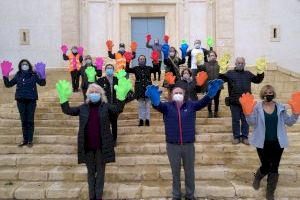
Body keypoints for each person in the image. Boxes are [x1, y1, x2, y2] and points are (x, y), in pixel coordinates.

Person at [145, 79, 224, 200]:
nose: (177, 95)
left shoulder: (191, 105)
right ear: (171, 95)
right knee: (175, 172)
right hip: (172, 145)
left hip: (188, 145)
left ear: (184, 95)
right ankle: (176, 195)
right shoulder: (166, 107)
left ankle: (190, 195)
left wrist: (210, 94)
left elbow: (203, 102)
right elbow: (158, 105)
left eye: (180, 93)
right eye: (175, 93)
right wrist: (155, 99)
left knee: (189, 172)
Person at [57, 82, 128, 200]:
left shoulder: (106, 106)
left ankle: (98, 196)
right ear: (88, 95)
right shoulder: (83, 108)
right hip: (88, 146)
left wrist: (121, 97)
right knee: (90, 173)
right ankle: (92, 196)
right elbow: (68, 110)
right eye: (92, 92)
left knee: (100, 173)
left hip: (102, 146)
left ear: (101, 94)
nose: (94, 94)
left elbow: (118, 109)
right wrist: (63, 99)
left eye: (97, 92)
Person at [239, 86, 300, 200]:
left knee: (274, 167)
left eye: (271, 92)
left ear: (274, 94)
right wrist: (247, 113)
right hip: (262, 142)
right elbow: (252, 123)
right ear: (263, 94)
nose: (269, 94)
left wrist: (296, 113)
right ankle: (258, 176)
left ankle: (270, 192)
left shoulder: (280, 107)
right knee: (266, 166)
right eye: (266, 92)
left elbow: (289, 122)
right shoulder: (257, 107)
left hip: (277, 142)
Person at [219, 57, 265, 145]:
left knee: (245, 120)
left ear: (244, 64)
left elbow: (257, 80)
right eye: (239, 63)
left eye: (242, 63)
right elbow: (221, 80)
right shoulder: (230, 73)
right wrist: (221, 71)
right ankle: (236, 137)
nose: (240, 64)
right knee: (235, 120)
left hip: (246, 102)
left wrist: (260, 72)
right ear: (235, 64)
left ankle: (244, 137)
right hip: (234, 102)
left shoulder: (248, 74)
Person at [1, 59, 46, 147]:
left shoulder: (33, 75)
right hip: (20, 100)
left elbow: (42, 83)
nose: (24, 65)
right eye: (22, 64)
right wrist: (5, 75)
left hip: (31, 100)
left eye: (26, 64)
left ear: (29, 65)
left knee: (30, 120)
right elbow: (8, 85)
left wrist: (42, 75)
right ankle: (25, 140)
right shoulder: (18, 75)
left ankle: (30, 140)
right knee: (23, 121)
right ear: (20, 66)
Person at [97, 64, 135, 146]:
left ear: (113, 70)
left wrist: (124, 100)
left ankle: (114, 140)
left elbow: (127, 90)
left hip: (115, 106)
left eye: (111, 68)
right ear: (105, 70)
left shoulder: (118, 79)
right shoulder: (100, 80)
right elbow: (96, 91)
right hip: (104, 106)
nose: (109, 69)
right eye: (107, 68)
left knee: (114, 123)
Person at [125, 55, 155, 126]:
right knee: (141, 105)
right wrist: (128, 61)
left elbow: (156, 69)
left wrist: (155, 61)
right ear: (138, 60)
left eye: (143, 59)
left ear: (145, 60)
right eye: (140, 59)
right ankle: (141, 119)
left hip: (148, 89)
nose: (142, 60)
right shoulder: (136, 68)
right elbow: (127, 70)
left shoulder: (149, 68)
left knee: (147, 105)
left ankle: (147, 119)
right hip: (139, 89)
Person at [203, 50, 222, 118]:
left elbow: (222, 73)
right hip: (209, 84)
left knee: (216, 99)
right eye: (211, 55)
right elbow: (201, 72)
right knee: (209, 99)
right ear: (208, 57)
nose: (212, 57)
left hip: (217, 85)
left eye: (214, 55)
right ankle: (209, 112)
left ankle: (216, 112)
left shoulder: (219, 64)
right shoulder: (205, 64)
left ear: (216, 57)